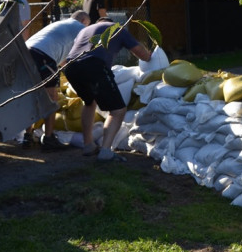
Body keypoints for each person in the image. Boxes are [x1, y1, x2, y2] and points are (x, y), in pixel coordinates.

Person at [63, 18, 152, 161]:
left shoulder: (85, 31)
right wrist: (150, 56)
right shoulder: (116, 28)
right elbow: (141, 53)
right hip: (93, 65)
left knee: (89, 102)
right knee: (118, 110)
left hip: (71, 67)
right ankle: (105, 151)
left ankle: (88, 145)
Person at [22, 10, 91, 150]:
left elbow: (64, 61)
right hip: (43, 56)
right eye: (87, 24)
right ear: (83, 21)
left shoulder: (62, 26)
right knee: (52, 97)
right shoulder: (80, 28)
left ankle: (27, 136)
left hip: (26, 52)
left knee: (31, 96)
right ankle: (48, 139)